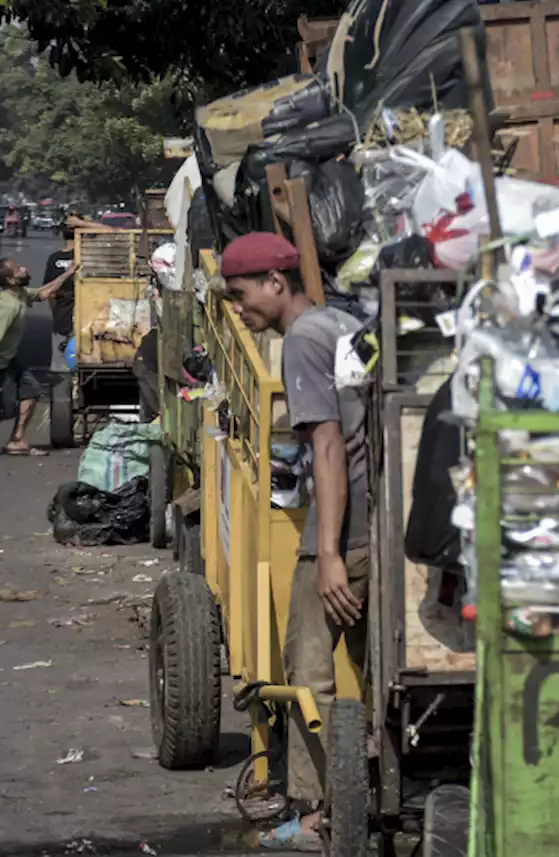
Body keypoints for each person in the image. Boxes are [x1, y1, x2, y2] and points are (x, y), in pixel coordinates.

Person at [219, 232, 370, 852]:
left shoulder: (303, 340)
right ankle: (378, 790)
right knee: (373, 668)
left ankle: (325, 813)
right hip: (376, 522)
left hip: (343, 531)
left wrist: (328, 552)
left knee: (308, 673)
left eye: (241, 293)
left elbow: (329, 445)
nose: (238, 307)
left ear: (276, 283)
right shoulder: (344, 323)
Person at [0, 257, 75, 458]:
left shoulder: (20, 294)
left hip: (7, 360)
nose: (24, 268)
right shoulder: (8, 306)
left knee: (31, 391)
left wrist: (68, 273)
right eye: (18, 269)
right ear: (10, 280)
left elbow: (44, 293)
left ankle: (17, 440)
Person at [46, 213, 114, 373]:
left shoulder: (54, 258)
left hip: (63, 318)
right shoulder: (88, 255)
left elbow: (50, 293)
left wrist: (57, 313)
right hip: (92, 319)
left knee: (61, 368)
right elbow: (112, 232)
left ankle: (62, 396)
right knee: (90, 363)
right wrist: (83, 223)